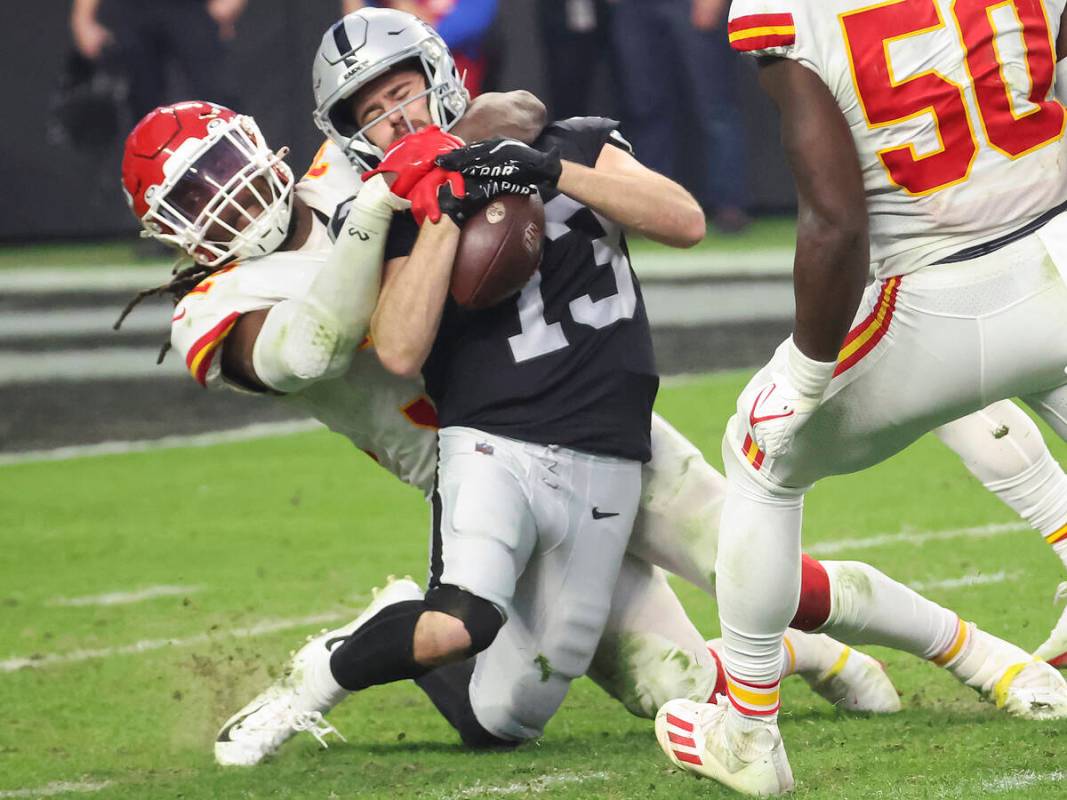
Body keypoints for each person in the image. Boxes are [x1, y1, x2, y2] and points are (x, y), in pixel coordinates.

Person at [118, 9, 1066, 767]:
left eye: (228, 168)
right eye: (197, 197)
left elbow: (516, 109)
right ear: (171, 232)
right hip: (477, 472)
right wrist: (389, 201)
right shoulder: (225, 302)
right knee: (558, 707)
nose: (229, 196)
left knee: (753, 557)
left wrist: (480, 143)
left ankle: (973, 660)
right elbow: (315, 348)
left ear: (267, 144)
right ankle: (379, 645)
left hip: (597, 419)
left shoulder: (357, 156)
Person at [653, 0, 1067, 794]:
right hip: (1057, 248)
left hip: (930, 294)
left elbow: (835, 224)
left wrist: (806, 381)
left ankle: (746, 729)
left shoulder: (787, 10)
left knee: (761, 452)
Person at [70, 0, 245, 121]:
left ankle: (242, 161)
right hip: (131, 11)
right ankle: (154, 169)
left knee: (217, 93)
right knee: (142, 102)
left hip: (190, 7)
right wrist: (82, 17)